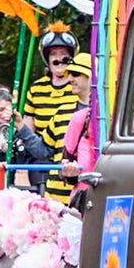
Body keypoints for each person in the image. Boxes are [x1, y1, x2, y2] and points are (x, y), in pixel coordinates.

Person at [22, 23, 81, 184]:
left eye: (63, 54)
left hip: (72, 157)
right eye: (53, 54)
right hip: (43, 158)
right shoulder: (36, 89)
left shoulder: (77, 86)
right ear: (47, 59)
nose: (58, 58)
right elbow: (29, 127)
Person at [51, 53, 96, 207]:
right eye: (69, 74)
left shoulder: (119, 118)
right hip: (83, 203)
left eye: (75, 74)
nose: (69, 79)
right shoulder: (77, 118)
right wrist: (68, 171)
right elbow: (63, 165)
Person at [0, 86, 50, 184]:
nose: (4, 114)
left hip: (13, 183)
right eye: (0, 109)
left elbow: (30, 155)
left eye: (8, 110)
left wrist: (14, 150)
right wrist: (0, 153)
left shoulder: (18, 130)